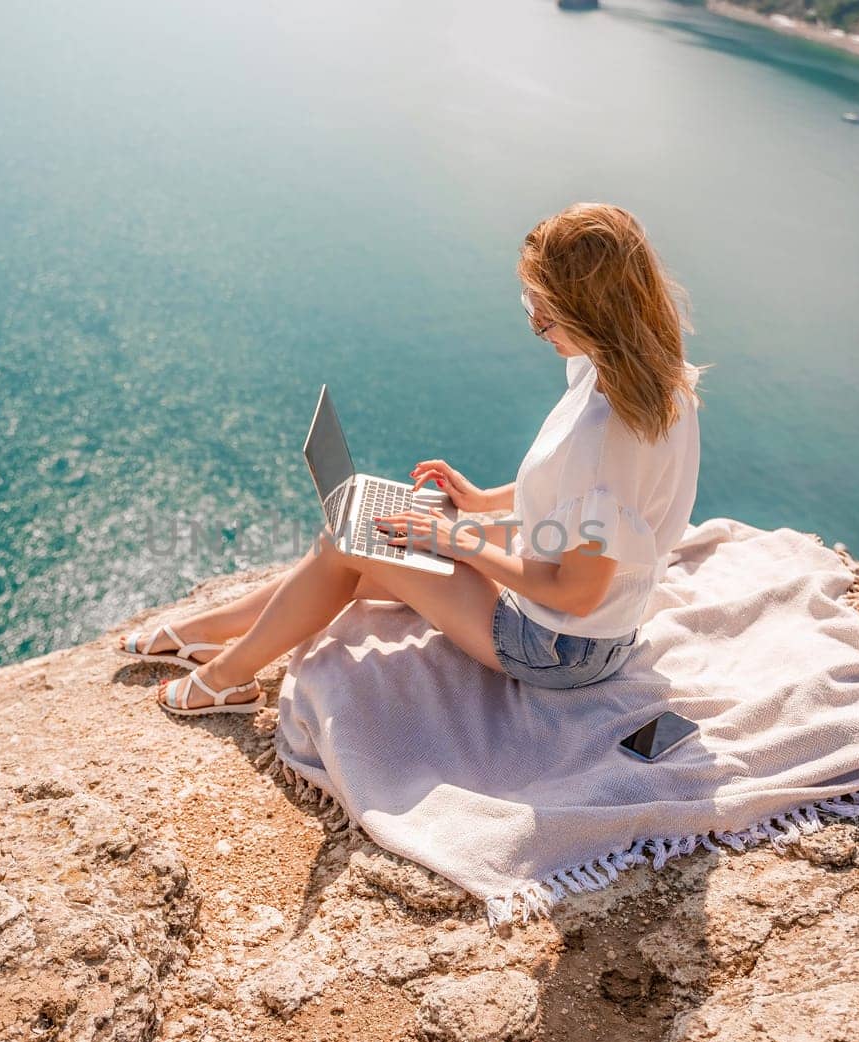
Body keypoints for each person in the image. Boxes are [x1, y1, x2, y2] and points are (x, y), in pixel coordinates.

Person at [120, 202, 708, 713]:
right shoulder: (648, 373)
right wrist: (480, 504)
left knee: (350, 542)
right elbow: (576, 500)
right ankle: (213, 635)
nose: (537, 324)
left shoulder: (605, 436)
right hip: (586, 621)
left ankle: (223, 676)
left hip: (558, 647)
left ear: (591, 313)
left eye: (545, 311)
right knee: (368, 536)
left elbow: (574, 592)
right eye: (533, 305)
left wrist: (460, 539)